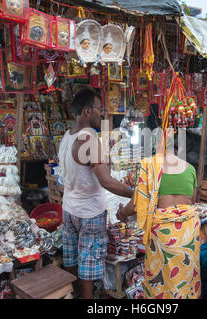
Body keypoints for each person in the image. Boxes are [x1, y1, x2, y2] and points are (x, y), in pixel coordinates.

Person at [58, 88, 134, 299]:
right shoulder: (89, 139)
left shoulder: (67, 136)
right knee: (88, 264)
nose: (101, 114)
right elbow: (106, 181)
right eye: (99, 109)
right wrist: (135, 194)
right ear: (87, 111)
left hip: (69, 208)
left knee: (72, 259)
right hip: (89, 212)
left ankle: (73, 294)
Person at [116, 134, 202, 299]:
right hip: (187, 232)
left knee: (161, 276)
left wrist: (121, 214)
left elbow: (136, 204)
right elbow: (192, 200)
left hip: (163, 233)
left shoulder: (150, 166)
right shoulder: (190, 168)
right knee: (185, 273)